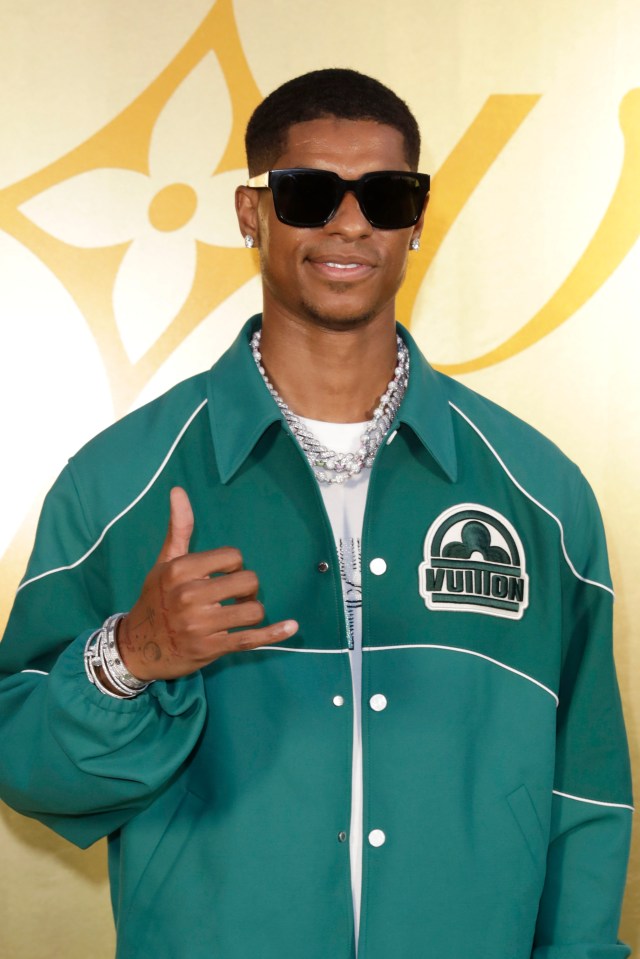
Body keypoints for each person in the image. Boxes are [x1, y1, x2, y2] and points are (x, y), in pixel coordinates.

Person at [0, 68, 633, 959]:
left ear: (416, 219)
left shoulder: (540, 492)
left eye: (383, 194)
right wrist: (131, 655)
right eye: (307, 193)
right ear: (252, 214)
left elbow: (588, 794)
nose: (349, 222)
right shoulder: (120, 483)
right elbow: (26, 763)